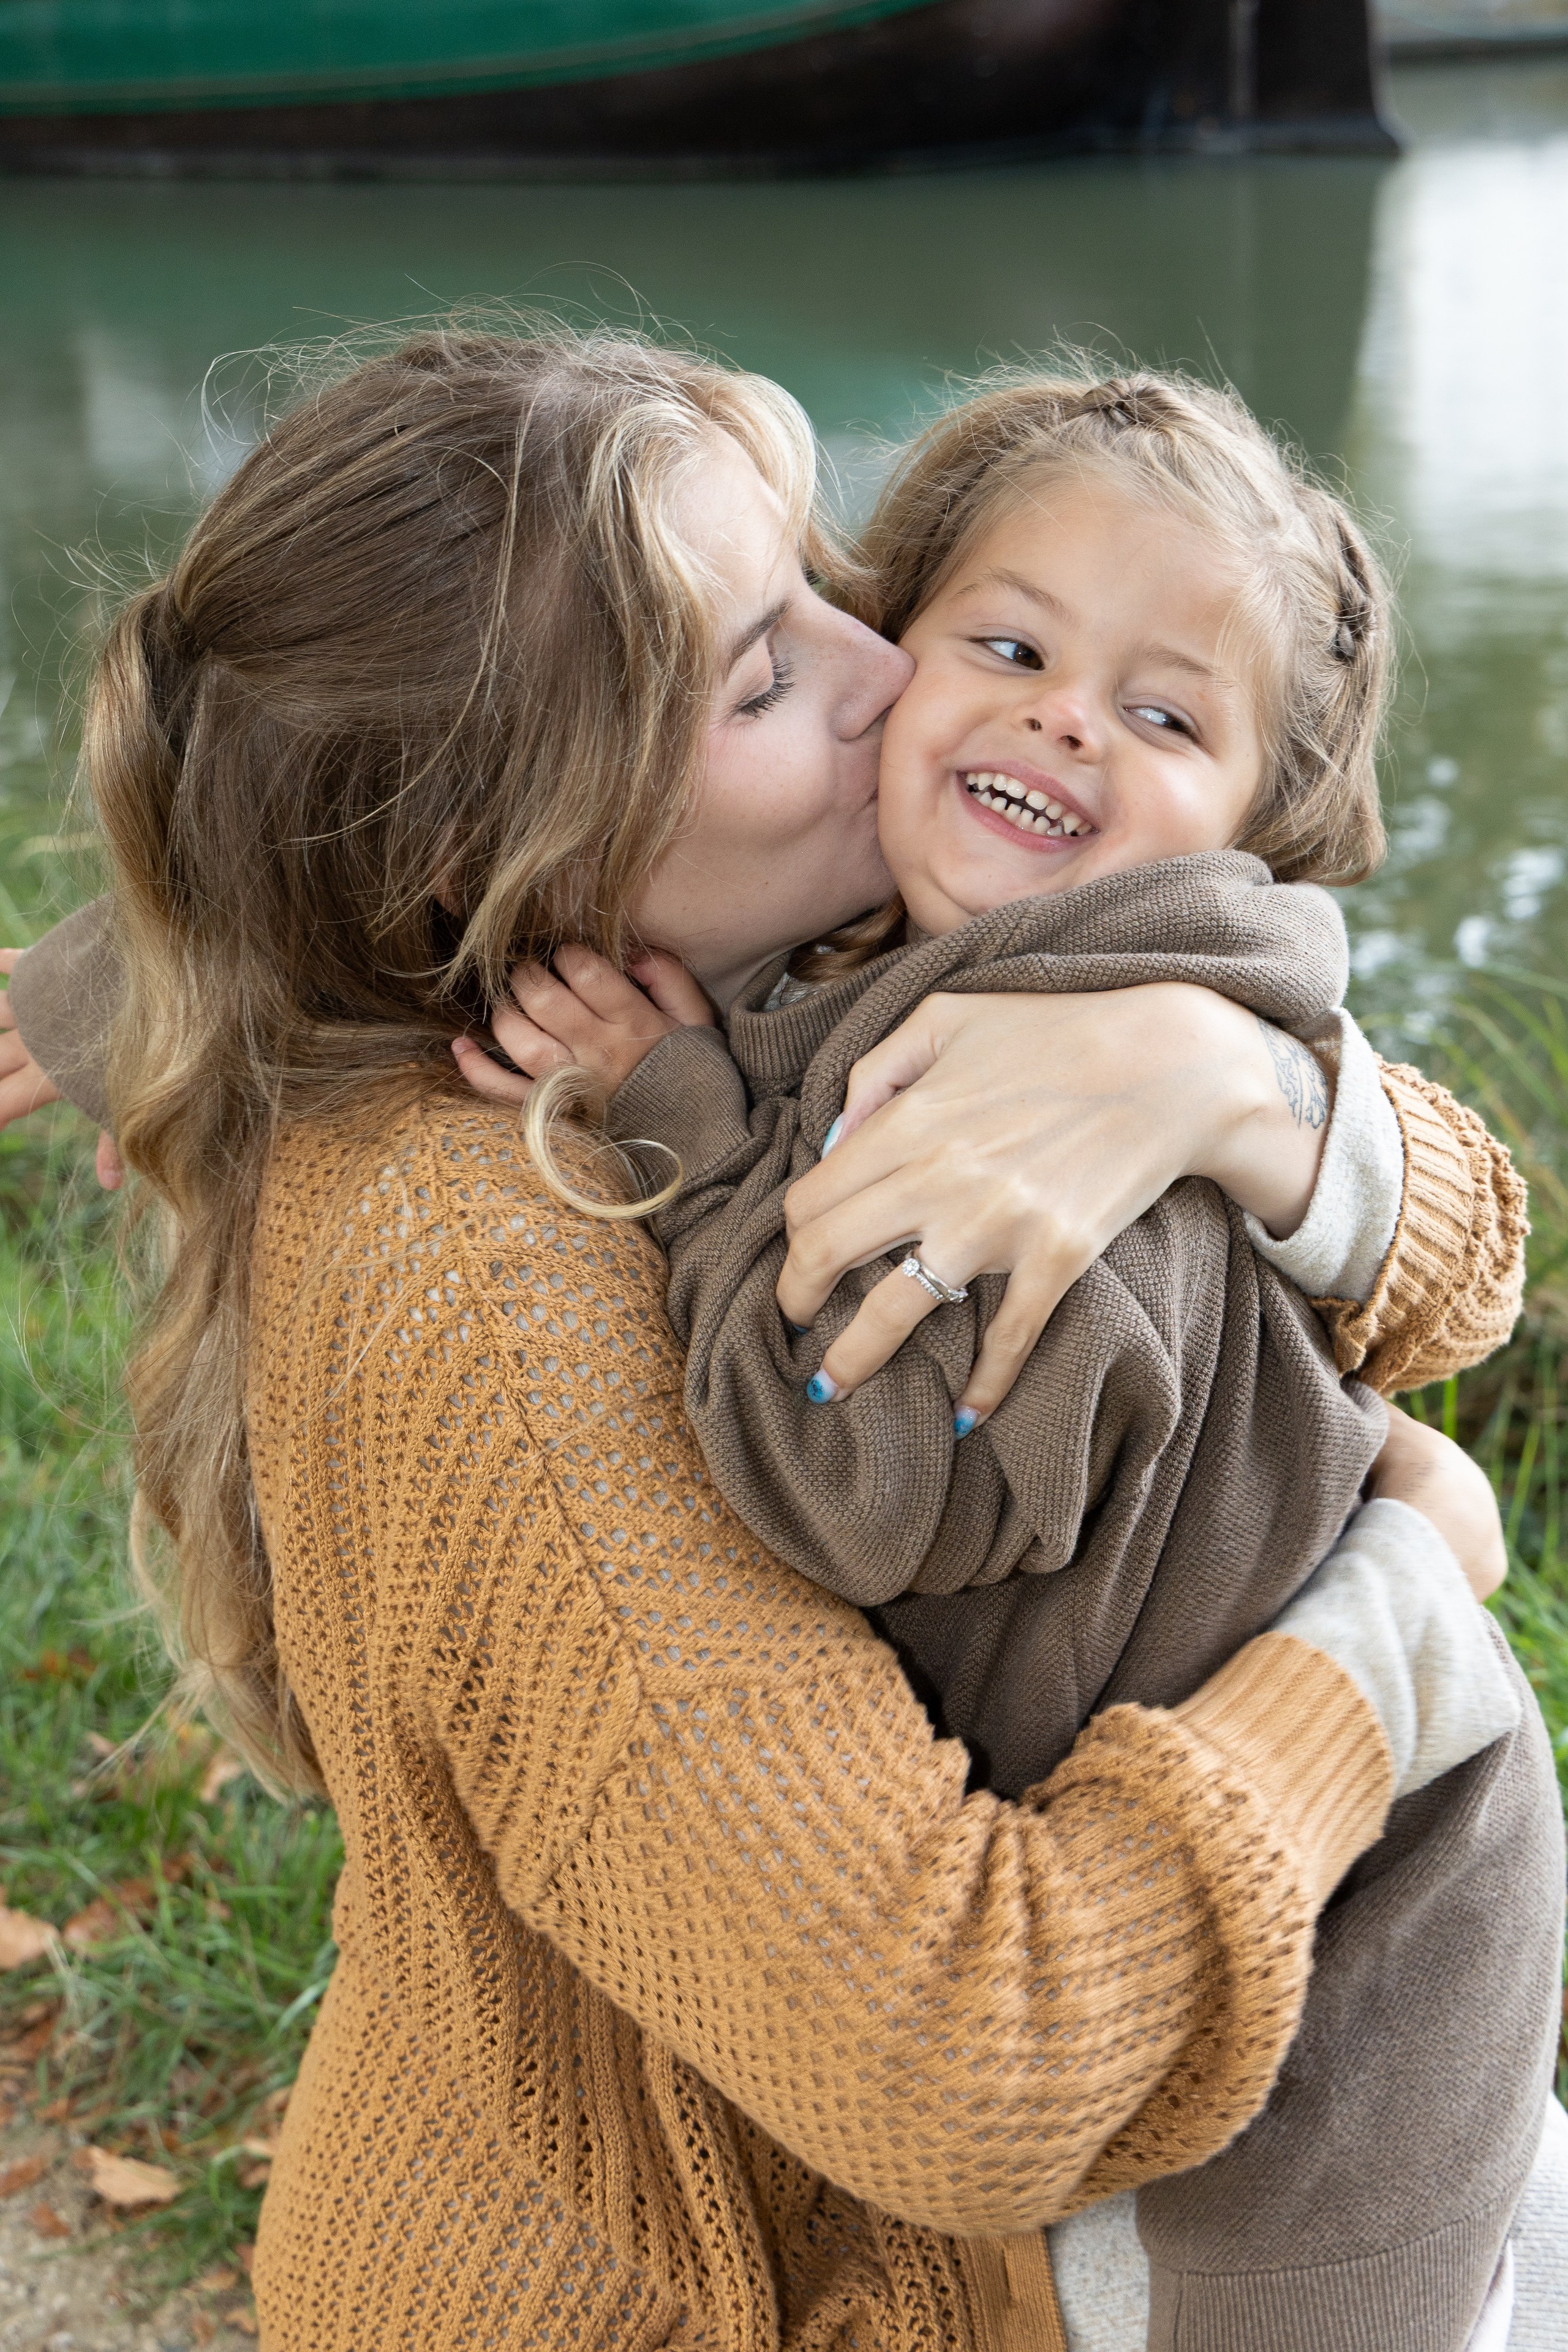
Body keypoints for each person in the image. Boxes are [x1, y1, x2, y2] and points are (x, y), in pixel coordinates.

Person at [0, 327, 1542, 2352]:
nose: (900, 664)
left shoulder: (745, 945)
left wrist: (1228, 1092)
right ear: (505, 844)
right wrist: (1402, 1619)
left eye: (836, 581)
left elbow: (1450, 1271)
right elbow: (965, 2061)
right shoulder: (496, 1264)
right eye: (766, 662)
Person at [446, 367, 1566, 2350]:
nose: (1066, 714)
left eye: (1163, 714)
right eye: (1012, 644)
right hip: (1231, 1795)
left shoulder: (1038, 1121)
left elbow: (861, 1484)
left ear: (1251, 818)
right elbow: (433, 707)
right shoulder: (913, 935)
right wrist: (119, 968)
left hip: (1360, 1922)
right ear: (899, 645)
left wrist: (690, 1133)